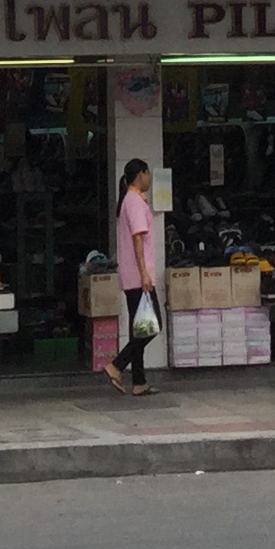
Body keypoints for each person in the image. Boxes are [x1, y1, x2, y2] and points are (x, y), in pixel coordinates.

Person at [106, 158, 158, 399]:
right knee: (151, 327)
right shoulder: (135, 202)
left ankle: (139, 381)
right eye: (148, 174)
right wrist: (144, 273)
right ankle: (116, 365)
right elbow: (138, 239)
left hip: (131, 275)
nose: (150, 179)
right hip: (138, 277)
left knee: (139, 328)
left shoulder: (130, 200)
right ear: (140, 175)